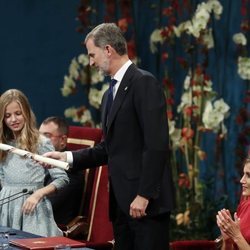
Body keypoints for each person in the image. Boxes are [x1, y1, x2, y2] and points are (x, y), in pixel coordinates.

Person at [43, 23, 175, 250]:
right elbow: (108, 149)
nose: (91, 62)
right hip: (121, 206)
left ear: (108, 50)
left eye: (92, 55)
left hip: (146, 206)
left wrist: (144, 195)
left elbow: (157, 145)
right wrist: (66, 158)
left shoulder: (143, 83)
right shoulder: (108, 95)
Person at [0, 89, 69, 237]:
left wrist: (38, 194)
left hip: (32, 210)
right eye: (7, 116)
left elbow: (62, 178)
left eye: (18, 113)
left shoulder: (41, 143)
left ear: (26, 112)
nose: (13, 119)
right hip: (6, 209)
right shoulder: (3, 145)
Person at [39, 116, 84, 225]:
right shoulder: (37, 163)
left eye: (47, 136)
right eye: (39, 136)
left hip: (51, 232)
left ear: (62, 140)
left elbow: (44, 208)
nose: (40, 141)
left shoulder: (70, 173)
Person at [216, 156, 250, 249]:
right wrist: (227, 241)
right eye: (243, 174)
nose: (241, 180)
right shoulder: (245, 204)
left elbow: (237, 236)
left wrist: (236, 236)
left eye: (248, 175)